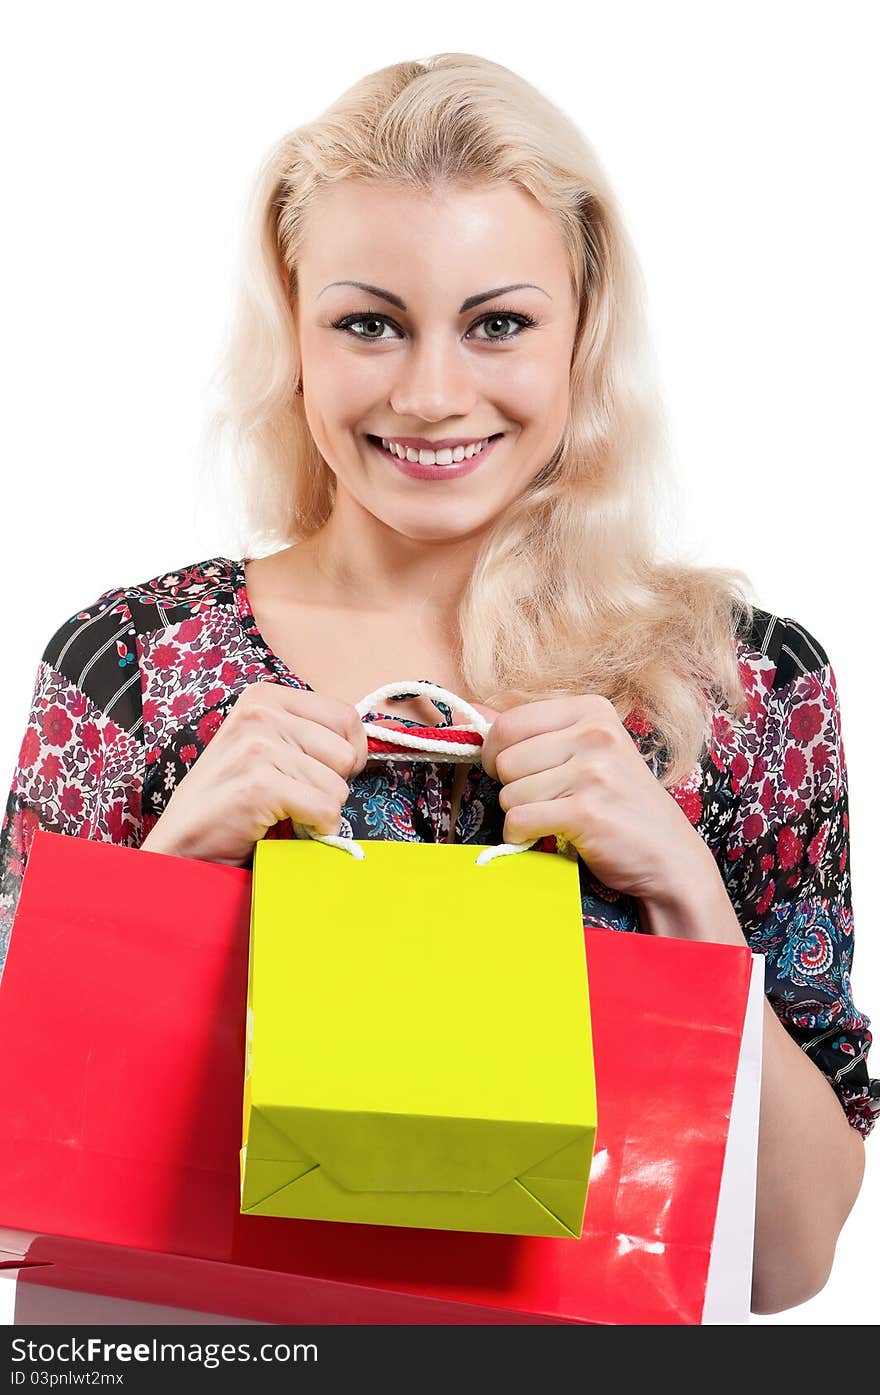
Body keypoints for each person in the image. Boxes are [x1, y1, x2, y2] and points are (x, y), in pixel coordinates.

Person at [0, 52, 875, 1316]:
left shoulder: (734, 689)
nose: (430, 393)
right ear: (294, 334)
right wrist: (174, 860)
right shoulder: (134, 666)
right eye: (369, 322)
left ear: (583, 332)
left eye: (498, 323)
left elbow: (786, 1267)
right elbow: (17, 1180)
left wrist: (684, 888)